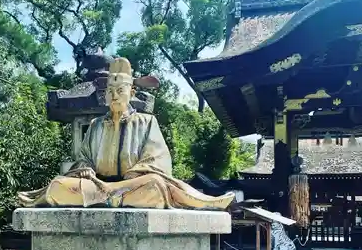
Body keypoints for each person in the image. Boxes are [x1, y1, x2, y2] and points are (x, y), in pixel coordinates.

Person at [18, 57, 235, 210]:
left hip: (131, 185)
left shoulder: (146, 122)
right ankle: (112, 198)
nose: (114, 96)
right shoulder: (95, 125)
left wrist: (132, 176)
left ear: (131, 93)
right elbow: (83, 157)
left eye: (120, 91)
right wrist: (84, 168)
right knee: (57, 187)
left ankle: (110, 196)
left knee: (154, 186)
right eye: (109, 92)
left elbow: (156, 160)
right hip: (99, 185)